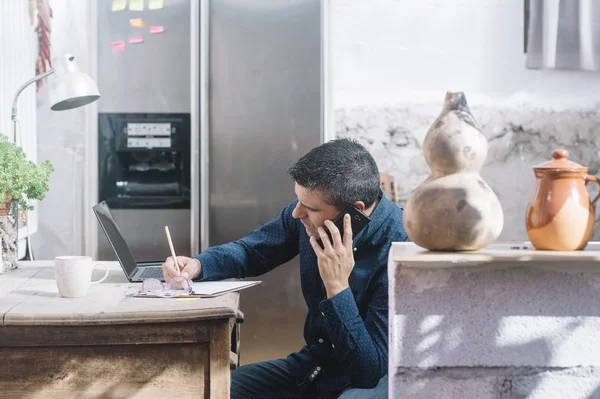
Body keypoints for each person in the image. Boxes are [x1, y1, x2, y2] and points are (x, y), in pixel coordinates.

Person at [162, 138, 410, 399]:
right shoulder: (307, 216)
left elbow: (368, 372)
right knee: (209, 391)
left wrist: (337, 287)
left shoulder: (402, 251)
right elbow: (252, 250)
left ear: (353, 212)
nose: (296, 213)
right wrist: (199, 265)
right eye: (298, 200)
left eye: (310, 208)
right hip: (313, 370)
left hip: (368, 384)